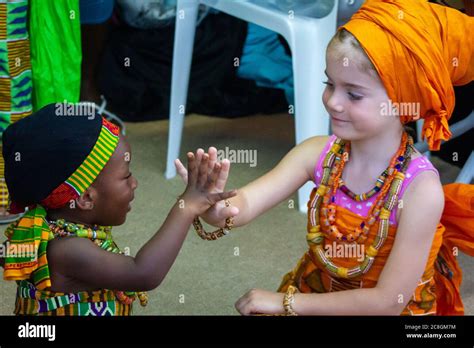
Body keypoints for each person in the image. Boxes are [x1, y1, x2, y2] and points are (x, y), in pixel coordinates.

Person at [175, 0, 474, 315]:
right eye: (329, 83)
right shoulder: (317, 152)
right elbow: (245, 204)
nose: (333, 101)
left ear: (404, 100)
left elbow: (388, 302)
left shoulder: (420, 190)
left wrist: (286, 302)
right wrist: (215, 206)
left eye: (353, 94)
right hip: (317, 294)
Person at [1, 103, 235, 315]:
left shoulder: (59, 226)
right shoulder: (67, 249)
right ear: (85, 198)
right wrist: (186, 207)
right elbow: (142, 274)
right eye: (126, 176)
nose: (135, 183)